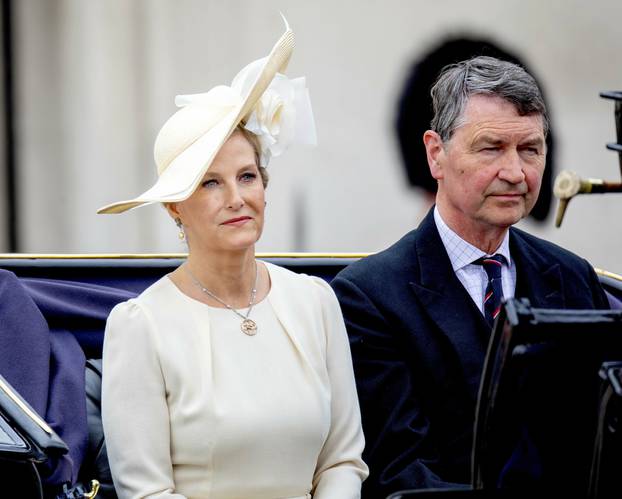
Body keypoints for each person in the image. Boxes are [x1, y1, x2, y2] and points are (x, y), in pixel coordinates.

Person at [97, 20, 368, 499]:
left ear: (265, 186)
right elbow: (147, 493)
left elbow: (343, 461)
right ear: (175, 207)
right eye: (210, 183)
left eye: (247, 176)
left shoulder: (316, 302)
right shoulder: (141, 326)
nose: (237, 198)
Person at [330, 56, 609, 497]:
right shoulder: (367, 297)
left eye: (530, 149)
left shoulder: (574, 278)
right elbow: (401, 471)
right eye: (491, 147)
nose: (516, 172)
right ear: (435, 154)